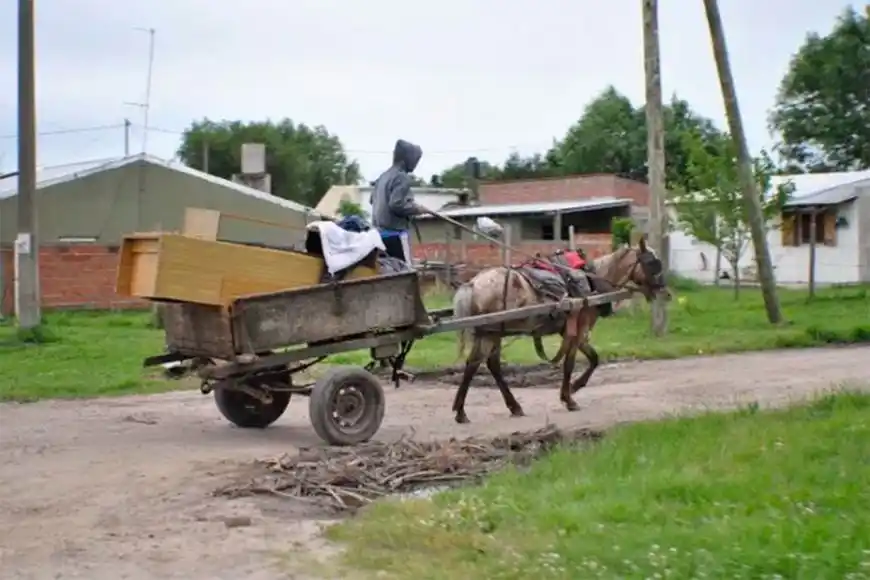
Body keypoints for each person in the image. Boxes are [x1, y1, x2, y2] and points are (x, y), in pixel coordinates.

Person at [370, 139, 425, 264]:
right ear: (406, 159)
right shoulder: (401, 176)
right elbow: (396, 204)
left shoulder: (383, 177)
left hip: (379, 236)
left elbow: (372, 200)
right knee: (405, 270)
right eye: (415, 160)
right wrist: (416, 209)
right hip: (396, 235)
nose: (416, 164)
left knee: (388, 271)